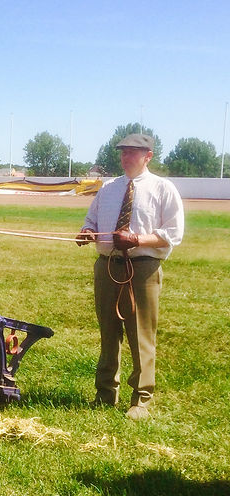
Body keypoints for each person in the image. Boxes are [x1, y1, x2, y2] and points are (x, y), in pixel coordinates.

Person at [75, 133, 184, 420]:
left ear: (148, 156)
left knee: (141, 335)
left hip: (143, 269)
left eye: (133, 153)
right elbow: (92, 220)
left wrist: (137, 239)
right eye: (123, 152)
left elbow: (173, 235)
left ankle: (141, 400)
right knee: (108, 332)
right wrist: (87, 232)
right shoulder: (108, 189)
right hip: (107, 266)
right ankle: (105, 393)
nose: (126, 158)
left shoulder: (163, 188)